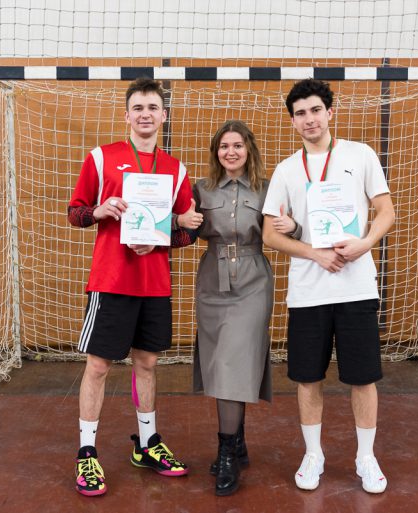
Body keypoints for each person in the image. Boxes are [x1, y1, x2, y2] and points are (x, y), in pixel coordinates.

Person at [67, 77, 203, 497]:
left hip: (154, 284)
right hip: (111, 281)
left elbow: (187, 232)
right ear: (127, 115)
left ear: (164, 115)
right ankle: (87, 452)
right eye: (138, 107)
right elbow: (75, 213)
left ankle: (147, 444)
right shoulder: (101, 157)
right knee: (98, 366)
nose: (145, 114)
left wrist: (163, 238)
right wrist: (99, 211)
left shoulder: (176, 169)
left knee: (147, 363)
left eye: (153, 107)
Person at [261, 79, 395, 494]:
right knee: (307, 378)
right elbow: (269, 234)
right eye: (300, 113)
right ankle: (313, 454)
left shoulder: (360, 154)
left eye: (316, 110)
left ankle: (366, 457)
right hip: (309, 291)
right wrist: (314, 254)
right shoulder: (286, 170)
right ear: (293, 120)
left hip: (356, 288)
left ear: (330, 112)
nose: (309, 119)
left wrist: (365, 243)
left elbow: (386, 211)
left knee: (363, 378)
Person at [183, 120, 300, 496]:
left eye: (237, 145)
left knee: (234, 361)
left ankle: (226, 454)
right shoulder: (200, 189)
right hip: (212, 281)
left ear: (249, 150)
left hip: (252, 283)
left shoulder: (268, 188)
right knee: (222, 363)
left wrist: (294, 226)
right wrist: (179, 221)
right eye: (223, 146)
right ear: (216, 152)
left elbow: (296, 228)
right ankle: (238, 442)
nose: (230, 152)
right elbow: (182, 233)